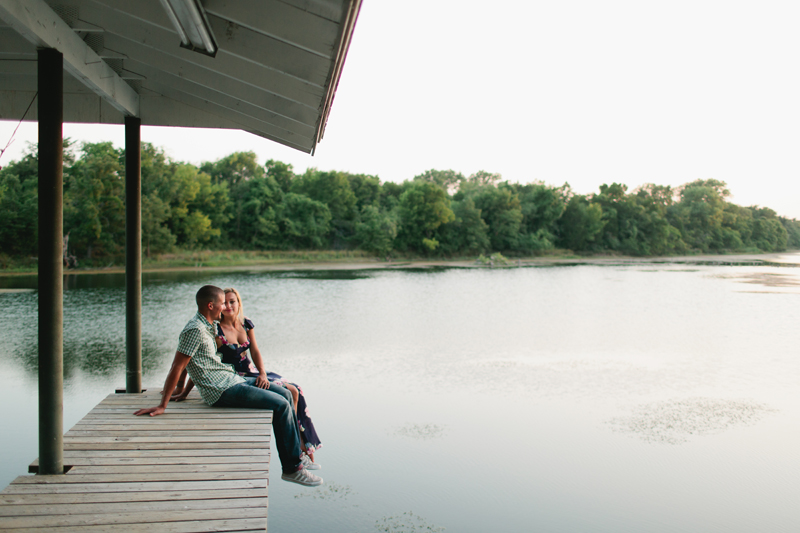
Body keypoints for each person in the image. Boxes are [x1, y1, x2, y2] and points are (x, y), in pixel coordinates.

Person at [134, 285, 322, 486]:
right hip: (220, 390)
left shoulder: (207, 325)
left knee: (285, 394)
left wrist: (184, 391)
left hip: (231, 378)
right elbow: (177, 366)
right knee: (281, 405)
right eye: (222, 302)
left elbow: (199, 362)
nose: (225, 307)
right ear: (210, 305)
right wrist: (164, 404)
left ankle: (296, 454)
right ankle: (292, 468)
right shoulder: (194, 330)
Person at [174, 287, 323, 467]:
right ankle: (298, 450)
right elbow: (200, 363)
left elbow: (255, 350)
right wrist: (183, 390)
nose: (228, 305)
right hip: (232, 376)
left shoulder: (245, 323)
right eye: (225, 302)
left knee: (295, 389)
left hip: (253, 371)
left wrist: (262, 372)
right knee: (288, 393)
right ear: (218, 306)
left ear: (238, 303)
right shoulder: (214, 330)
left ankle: (303, 446)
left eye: (232, 301)